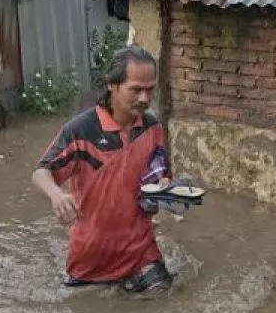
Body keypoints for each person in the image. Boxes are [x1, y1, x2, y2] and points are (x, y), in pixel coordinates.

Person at [31, 45, 174, 296]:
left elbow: (161, 173)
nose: (144, 98)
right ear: (112, 85)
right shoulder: (81, 131)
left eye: (150, 90)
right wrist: (56, 195)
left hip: (141, 253)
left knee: (162, 310)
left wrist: (166, 188)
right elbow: (42, 172)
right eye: (136, 90)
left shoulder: (152, 128)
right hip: (91, 259)